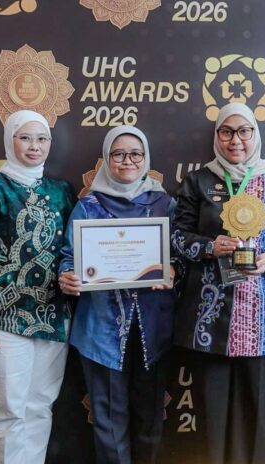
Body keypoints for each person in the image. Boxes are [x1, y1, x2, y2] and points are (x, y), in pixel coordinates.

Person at [171, 102, 265, 464]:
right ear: (217, 136)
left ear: (254, 135)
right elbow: (177, 237)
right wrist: (209, 246)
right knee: (211, 419)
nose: (235, 140)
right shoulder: (198, 181)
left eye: (244, 131)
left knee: (260, 418)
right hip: (210, 319)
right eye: (227, 132)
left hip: (263, 319)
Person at [0, 110, 73, 464]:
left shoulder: (60, 191)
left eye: (42, 139)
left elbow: (72, 250)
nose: (34, 146)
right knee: (9, 411)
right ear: (10, 140)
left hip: (53, 317)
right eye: (25, 138)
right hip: (2, 318)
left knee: (40, 406)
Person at [58, 126, 176, 464]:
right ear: (107, 159)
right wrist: (67, 276)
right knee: (109, 422)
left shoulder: (164, 203)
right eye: (118, 154)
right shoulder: (88, 206)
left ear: (146, 158)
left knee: (150, 418)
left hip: (153, 327)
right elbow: (69, 256)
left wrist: (173, 271)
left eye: (135, 154)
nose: (127, 161)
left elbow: (180, 254)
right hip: (102, 328)